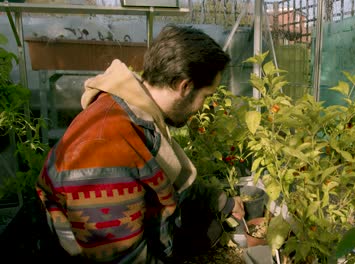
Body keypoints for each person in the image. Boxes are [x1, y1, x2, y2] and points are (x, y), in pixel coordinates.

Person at [35, 24, 245, 263]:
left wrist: (222, 202)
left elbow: (167, 172)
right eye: (205, 96)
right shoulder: (104, 150)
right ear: (184, 87)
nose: (202, 108)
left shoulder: (136, 111)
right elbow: (123, 259)